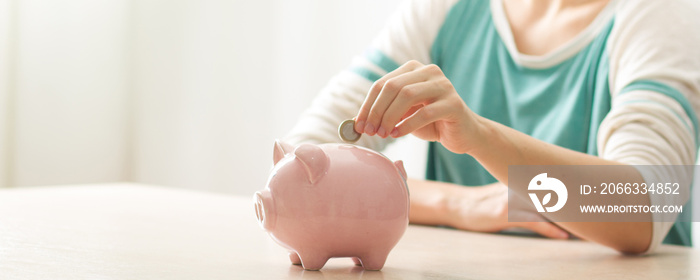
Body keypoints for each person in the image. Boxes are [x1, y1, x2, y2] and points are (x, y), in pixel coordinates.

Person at [284, 0, 700, 254]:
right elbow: (299, 160)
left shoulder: (659, 15)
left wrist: (479, 136)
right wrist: (460, 205)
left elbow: (646, 206)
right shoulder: (447, 7)